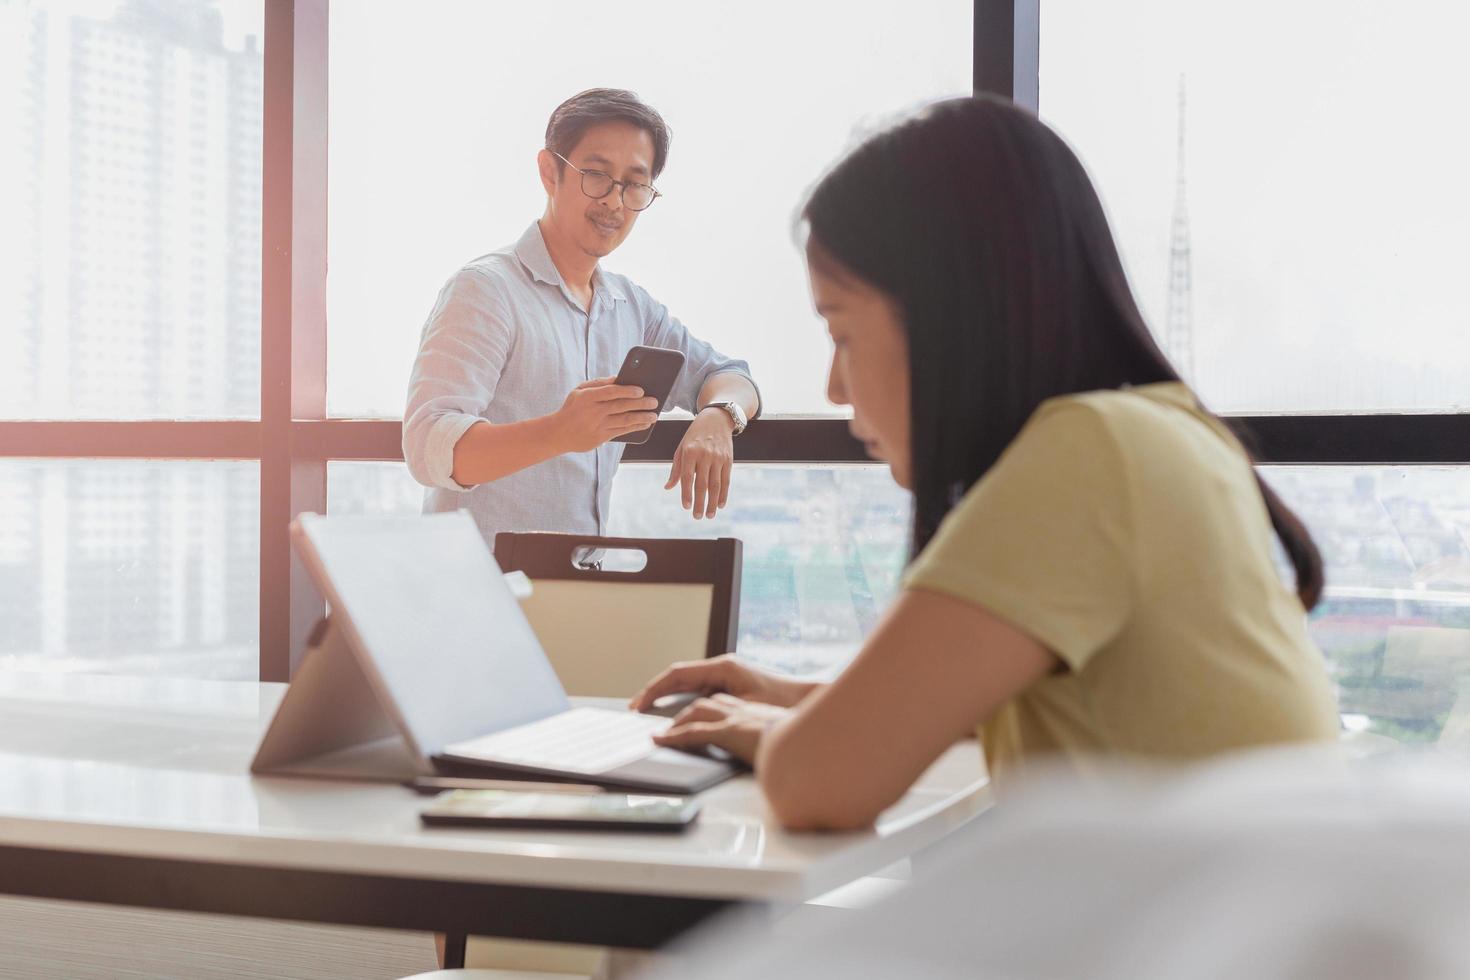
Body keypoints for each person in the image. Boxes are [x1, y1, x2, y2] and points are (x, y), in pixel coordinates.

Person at [629, 95, 1340, 829]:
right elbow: (972, 708)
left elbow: (816, 784)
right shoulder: (1161, 431)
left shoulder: (1086, 457)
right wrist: (789, 697)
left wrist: (778, 736)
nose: (834, 388)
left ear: (950, 322)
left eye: (841, 333)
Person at [403, 89, 761, 548]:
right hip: (480, 591)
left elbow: (730, 375)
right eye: (596, 175)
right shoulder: (485, 290)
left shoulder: (630, 306)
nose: (615, 201)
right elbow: (428, 446)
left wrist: (718, 416)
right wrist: (559, 432)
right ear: (549, 172)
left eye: (634, 184)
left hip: (575, 588)